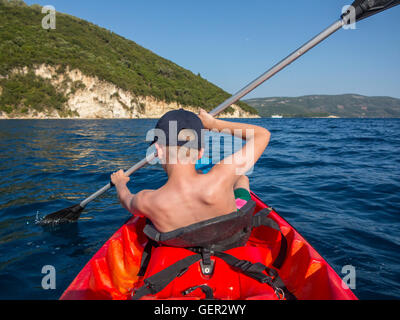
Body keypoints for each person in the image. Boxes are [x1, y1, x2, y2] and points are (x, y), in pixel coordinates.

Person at [110, 108, 270, 233]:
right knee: (241, 178)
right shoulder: (222, 175)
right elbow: (262, 134)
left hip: (184, 246)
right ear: (201, 152)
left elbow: (126, 199)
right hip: (230, 235)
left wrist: (120, 183)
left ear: (158, 151)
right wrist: (213, 125)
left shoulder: (147, 200)